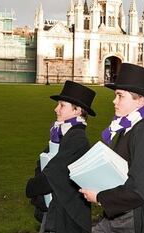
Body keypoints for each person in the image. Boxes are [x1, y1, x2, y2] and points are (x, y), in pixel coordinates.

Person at [80, 63, 144, 233]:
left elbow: (141, 188)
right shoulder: (128, 129)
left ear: (139, 100)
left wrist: (99, 197)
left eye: (120, 96)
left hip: (135, 218)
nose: (114, 101)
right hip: (120, 213)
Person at [26, 80, 96, 233]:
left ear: (77, 110)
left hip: (67, 216)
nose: (56, 109)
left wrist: (31, 187)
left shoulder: (77, 139)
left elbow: (54, 173)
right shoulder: (64, 134)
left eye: (62, 105)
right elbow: (42, 163)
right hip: (57, 210)